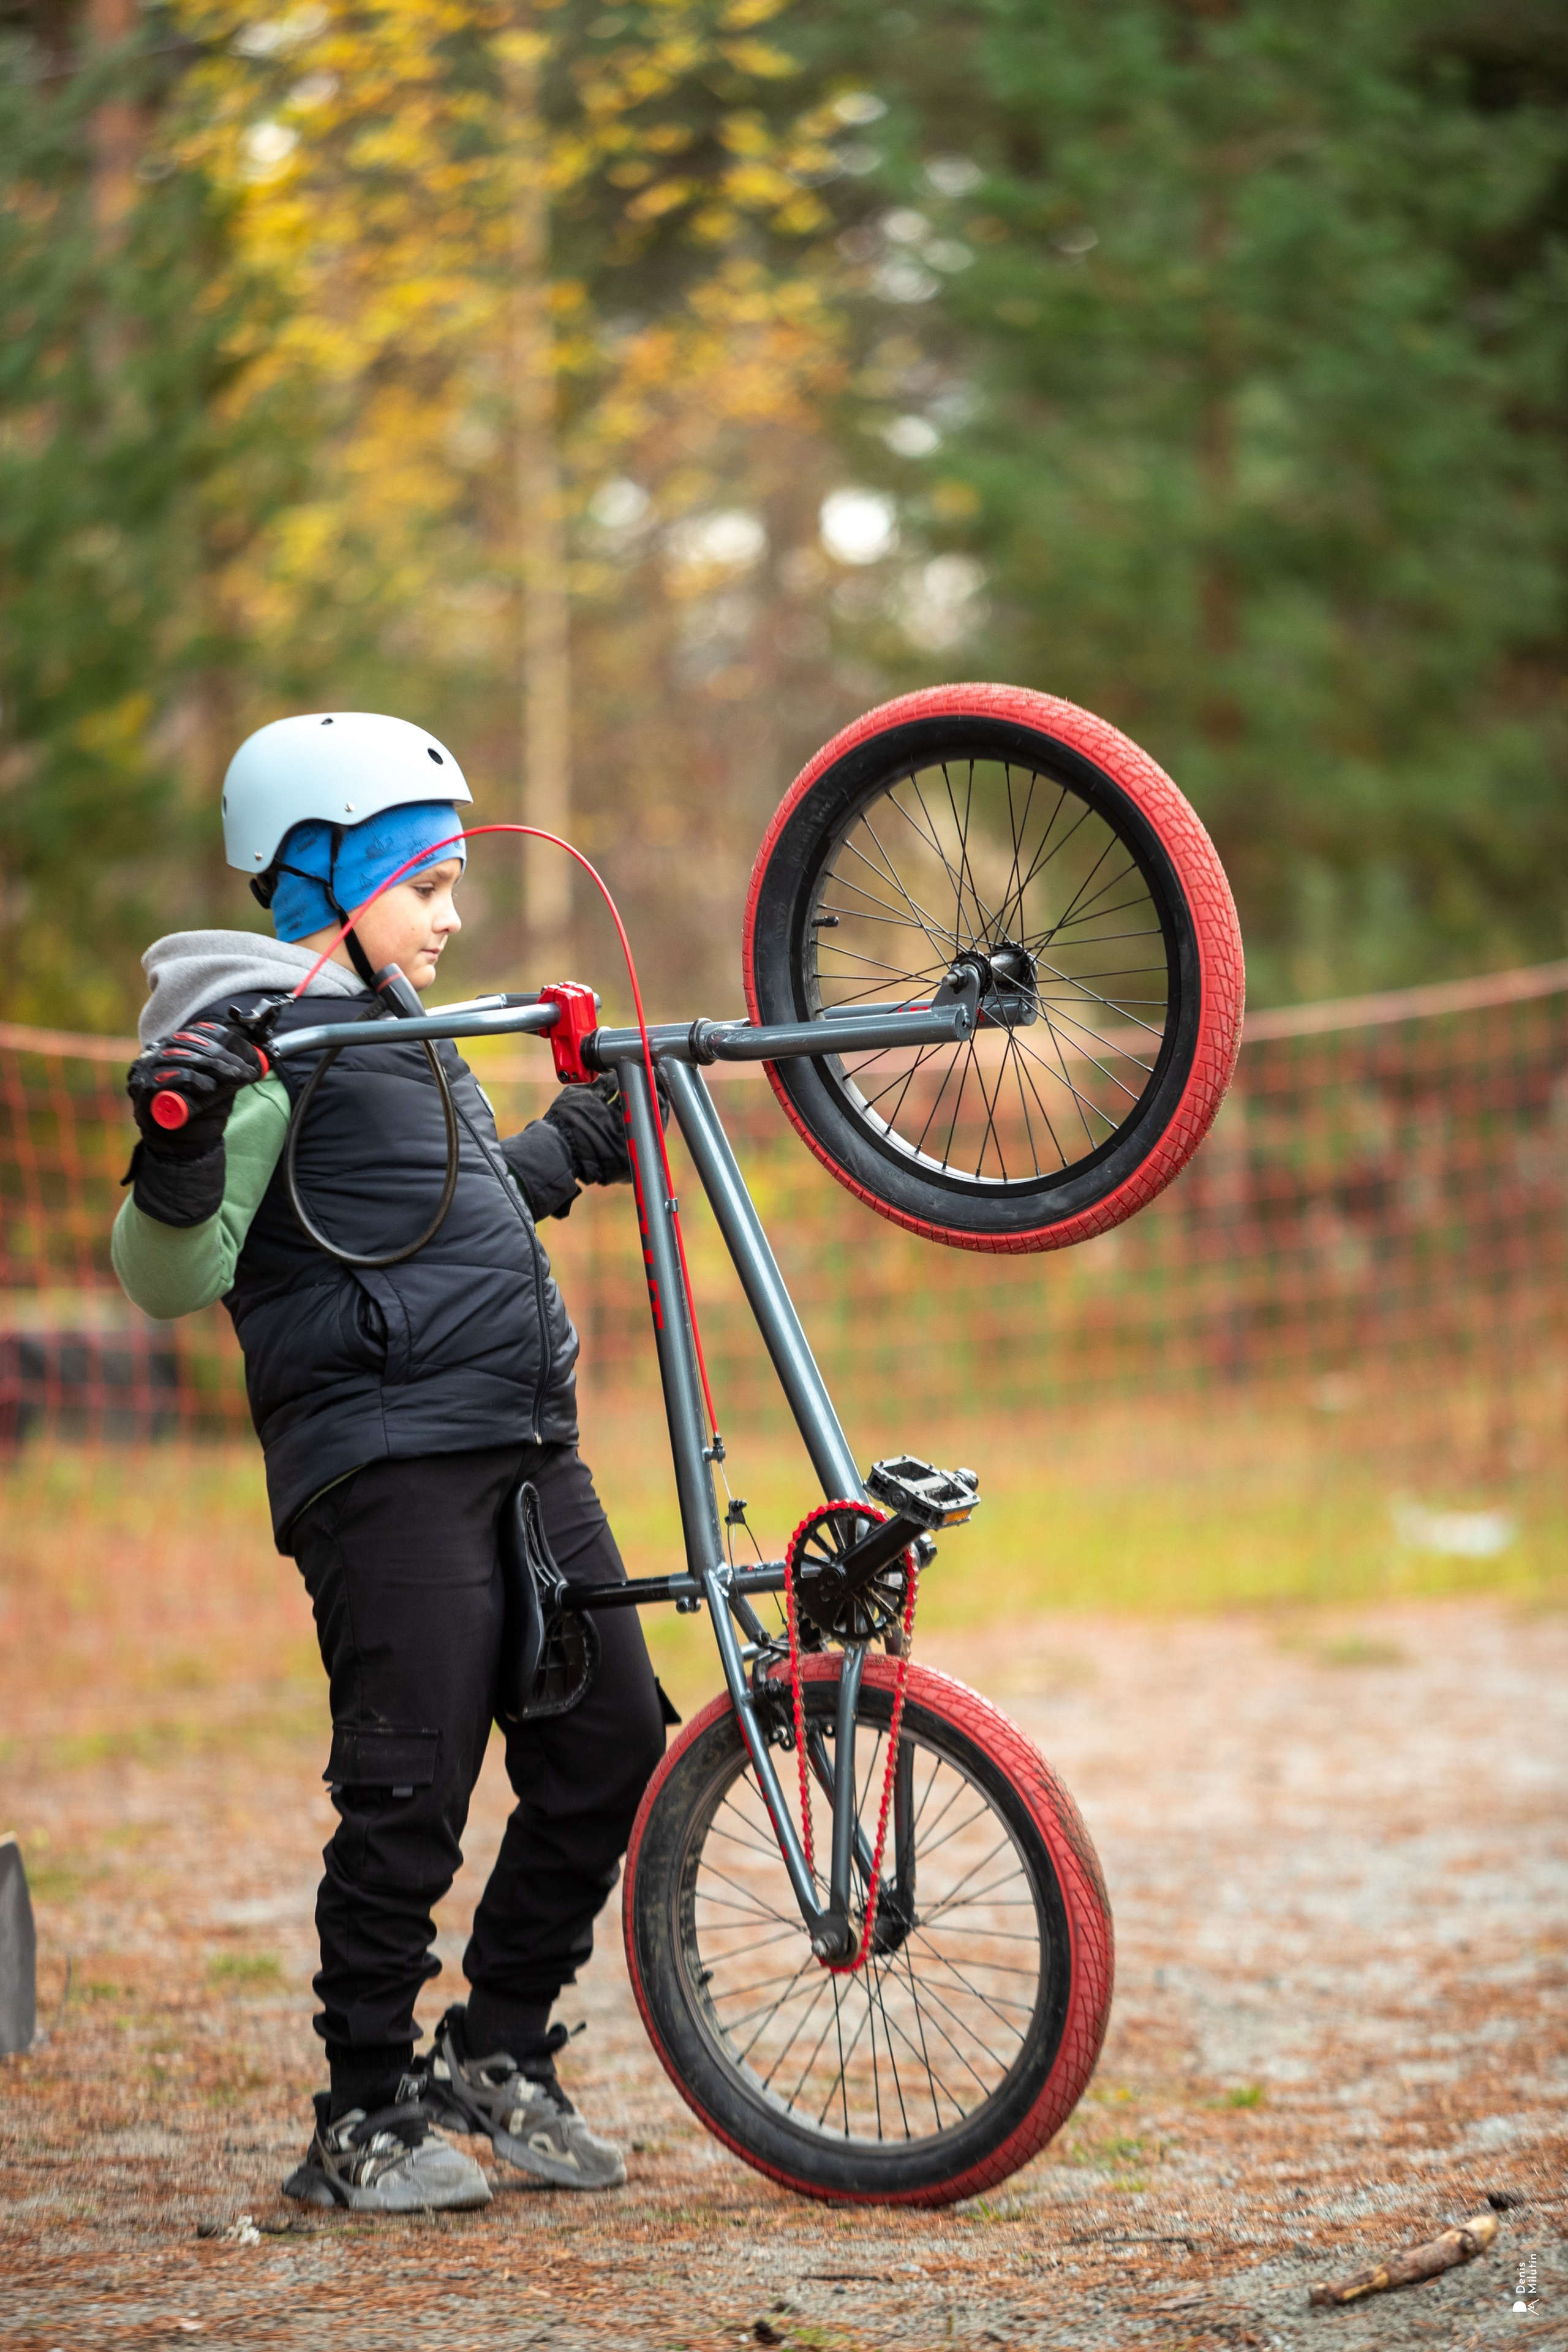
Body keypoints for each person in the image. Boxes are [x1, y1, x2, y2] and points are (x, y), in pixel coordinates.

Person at [111, 711, 669, 2213]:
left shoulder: (403, 1035)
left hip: (521, 1441)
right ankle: (357, 2113)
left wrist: (571, 1141)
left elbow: (444, 1216)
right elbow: (166, 1276)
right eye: (425, 881)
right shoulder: (249, 1039)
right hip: (386, 1463)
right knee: (409, 1789)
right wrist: (177, 1140)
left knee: (613, 1740)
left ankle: (492, 2048)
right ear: (328, 872)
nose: (451, 911)